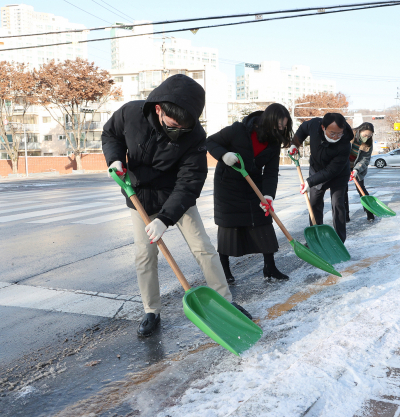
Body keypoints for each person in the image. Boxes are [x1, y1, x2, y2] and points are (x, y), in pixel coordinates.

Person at [101, 74, 251, 337]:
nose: (179, 129)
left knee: (203, 248)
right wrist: (114, 160)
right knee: (144, 255)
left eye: (185, 125)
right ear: (158, 108)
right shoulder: (130, 114)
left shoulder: (194, 135)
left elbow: (190, 180)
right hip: (140, 196)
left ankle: (226, 301)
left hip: (175, 196)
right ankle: (151, 311)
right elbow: (110, 134)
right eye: (174, 124)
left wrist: (165, 218)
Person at [206, 104, 292, 284]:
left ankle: (270, 267)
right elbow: (210, 141)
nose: (279, 131)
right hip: (228, 185)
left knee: (263, 222)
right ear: (267, 122)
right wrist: (223, 155)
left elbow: (271, 171)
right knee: (229, 226)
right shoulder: (238, 130)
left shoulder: (274, 142)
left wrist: (268, 195)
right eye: (277, 127)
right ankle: (224, 270)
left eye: (283, 128)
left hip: (254, 184)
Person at [290, 113, 352, 243]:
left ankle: (340, 241)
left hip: (338, 174)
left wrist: (309, 181)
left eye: (339, 133)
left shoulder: (345, 144)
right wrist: (295, 144)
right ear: (323, 127)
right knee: (314, 203)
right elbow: (302, 129)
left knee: (337, 204)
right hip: (316, 169)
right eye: (332, 133)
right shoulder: (314, 125)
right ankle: (316, 239)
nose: (336, 137)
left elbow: (331, 170)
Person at [344, 122, 375, 222]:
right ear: (359, 131)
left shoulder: (368, 143)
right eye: (365, 135)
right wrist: (346, 167)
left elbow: (365, 159)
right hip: (344, 164)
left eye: (369, 136)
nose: (367, 137)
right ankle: (345, 216)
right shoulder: (349, 135)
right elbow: (341, 151)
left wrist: (356, 169)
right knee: (343, 190)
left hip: (357, 167)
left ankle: (370, 212)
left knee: (361, 188)